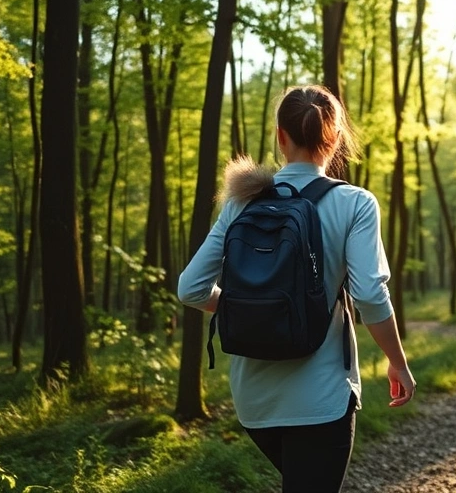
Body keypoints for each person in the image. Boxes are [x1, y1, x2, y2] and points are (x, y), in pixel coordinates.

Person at [177, 84, 416, 493]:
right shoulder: (355, 203)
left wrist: (252, 309)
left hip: (255, 400)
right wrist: (397, 361)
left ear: (280, 136)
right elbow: (370, 296)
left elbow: (191, 289)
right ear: (336, 137)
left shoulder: (241, 201)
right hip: (321, 398)